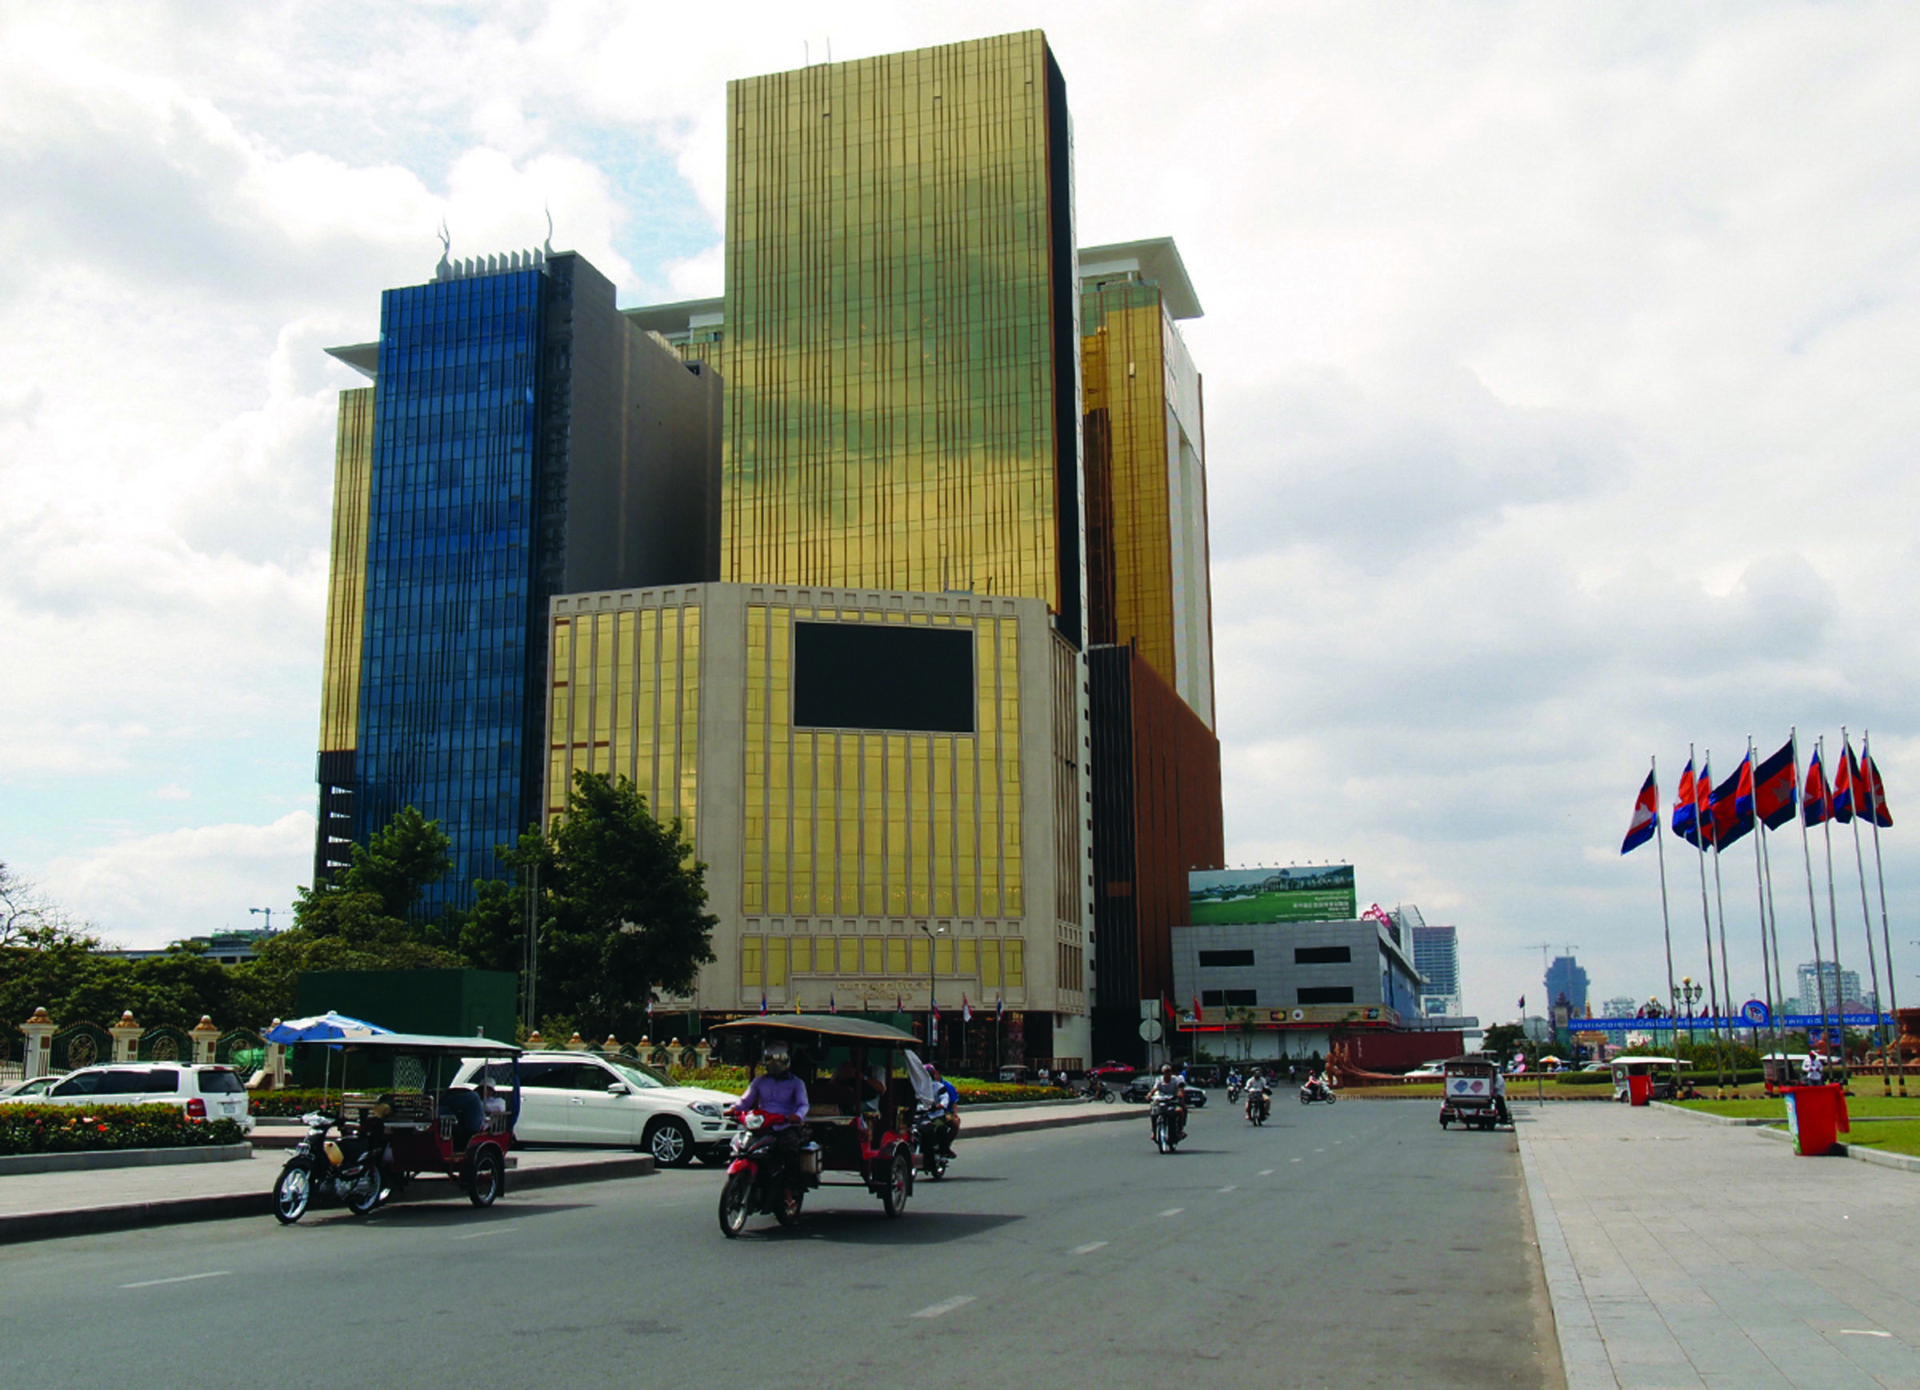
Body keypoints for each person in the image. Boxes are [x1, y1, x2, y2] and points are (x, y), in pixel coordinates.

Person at [731, 1041, 810, 1166]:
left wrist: (797, 1116)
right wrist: (734, 1109)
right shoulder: (759, 1081)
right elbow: (745, 1101)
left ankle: (790, 1178)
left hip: (785, 1126)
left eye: (779, 1059)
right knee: (741, 1146)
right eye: (769, 1059)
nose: (774, 1063)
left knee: (789, 1148)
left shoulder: (796, 1083)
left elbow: (803, 1105)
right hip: (762, 1125)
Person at [923, 1062, 960, 1156]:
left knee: (945, 1125)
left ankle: (945, 1147)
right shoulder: (919, 1087)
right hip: (922, 1114)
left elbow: (950, 1101)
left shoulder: (942, 1086)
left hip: (941, 1112)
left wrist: (954, 1114)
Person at [1146, 1064, 1188, 1142]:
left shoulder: (1175, 1080)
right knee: (1153, 1112)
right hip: (1161, 1101)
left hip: (1173, 1101)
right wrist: (1150, 1094)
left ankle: (1180, 1131)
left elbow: (1180, 1089)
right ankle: (1154, 1132)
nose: (1168, 1073)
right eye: (1166, 1072)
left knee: (1180, 1111)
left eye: (1169, 1071)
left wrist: (1180, 1093)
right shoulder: (1159, 1080)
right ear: (1163, 1073)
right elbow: (1154, 1089)